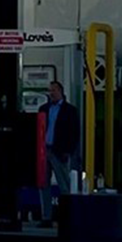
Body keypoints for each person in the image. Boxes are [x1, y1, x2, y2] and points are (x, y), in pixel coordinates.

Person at [39, 80, 81, 222]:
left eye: (54, 90)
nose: (51, 93)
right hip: (45, 150)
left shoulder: (70, 110)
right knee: (43, 184)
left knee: (64, 185)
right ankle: (46, 217)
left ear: (61, 92)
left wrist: (68, 150)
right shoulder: (43, 109)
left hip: (60, 151)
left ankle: (66, 217)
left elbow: (75, 132)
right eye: (50, 90)